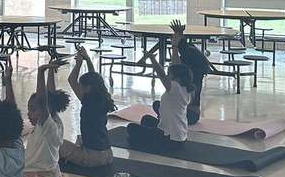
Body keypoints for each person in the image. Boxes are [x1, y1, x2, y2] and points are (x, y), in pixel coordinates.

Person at [126, 20, 193, 153]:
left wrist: (152, 59)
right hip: (179, 137)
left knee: (131, 129)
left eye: (170, 74)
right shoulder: (185, 88)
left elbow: (161, 74)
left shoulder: (174, 89)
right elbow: (176, 66)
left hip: (170, 141)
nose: (168, 75)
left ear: (176, 78)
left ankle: (152, 143)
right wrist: (174, 45)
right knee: (146, 119)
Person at [23, 60, 81, 177]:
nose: (29, 114)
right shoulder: (55, 120)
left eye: (33, 110)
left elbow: (43, 101)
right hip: (50, 174)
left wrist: (41, 72)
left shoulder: (46, 126)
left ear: (44, 110)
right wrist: (50, 71)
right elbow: (49, 96)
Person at [59, 44, 114, 169]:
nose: (80, 88)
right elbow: (94, 78)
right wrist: (87, 59)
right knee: (79, 139)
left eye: (82, 86)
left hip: (93, 157)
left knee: (58, 144)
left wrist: (78, 63)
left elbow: (71, 80)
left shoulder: (88, 102)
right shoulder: (103, 97)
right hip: (108, 154)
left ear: (88, 88)